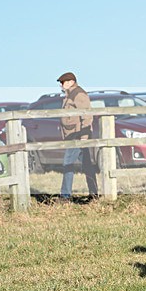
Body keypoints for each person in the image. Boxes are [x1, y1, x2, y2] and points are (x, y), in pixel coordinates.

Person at [57, 72, 99, 202]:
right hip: (75, 134)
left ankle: (65, 196)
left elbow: (86, 115)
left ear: (70, 82)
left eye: (62, 82)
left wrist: (84, 136)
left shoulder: (78, 94)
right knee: (87, 165)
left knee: (68, 164)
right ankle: (94, 194)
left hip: (77, 135)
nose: (61, 85)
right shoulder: (70, 95)